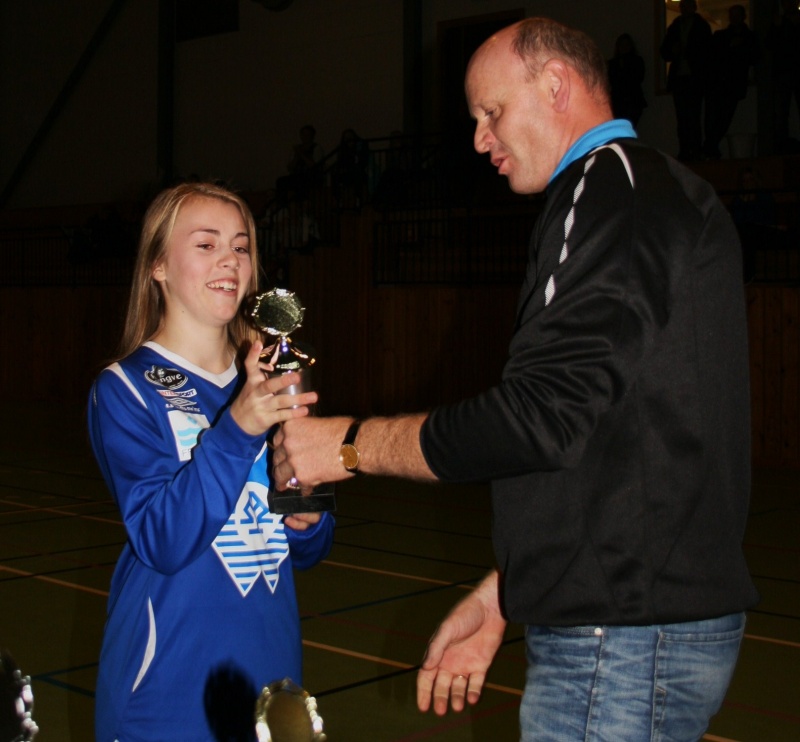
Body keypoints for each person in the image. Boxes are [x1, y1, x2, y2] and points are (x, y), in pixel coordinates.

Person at [273, 16, 759, 741]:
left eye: (491, 112)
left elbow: (539, 417)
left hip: (621, 641)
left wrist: (346, 445)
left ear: (555, 85)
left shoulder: (608, 189)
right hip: (634, 626)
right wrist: (509, 592)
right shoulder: (644, 194)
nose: (479, 140)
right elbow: (613, 437)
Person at [88, 181, 334, 741]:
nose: (230, 259)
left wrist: (309, 516)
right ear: (158, 266)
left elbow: (307, 547)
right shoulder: (125, 388)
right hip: (166, 689)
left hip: (271, 676)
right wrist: (238, 429)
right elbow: (162, 538)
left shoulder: (271, 377)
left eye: (241, 246)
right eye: (206, 244)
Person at [702, 4, 760, 160]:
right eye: (732, 15)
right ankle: (710, 147)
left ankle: (710, 147)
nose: (734, 18)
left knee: (721, 118)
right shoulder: (723, 36)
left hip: (730, 84)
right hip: (719, 83)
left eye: (736, 15)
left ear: (743, 17)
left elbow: (755, 57)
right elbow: (712, 56)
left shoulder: (747, 38)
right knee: (714, 118)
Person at [660, 0, 713, 160]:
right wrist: (674, 51)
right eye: (683, 6)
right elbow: (664, 51)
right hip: (682, 78)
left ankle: (693, 149)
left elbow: (707, 51)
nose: (684, 9)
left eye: (686, 6)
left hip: (694, 77)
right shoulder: (677, 26)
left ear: (693, 7)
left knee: (692, 116)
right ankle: (686, 149)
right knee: (683, 117)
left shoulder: (700, 26)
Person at [766, 0, 800, 153]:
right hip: (783, 72)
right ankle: (782, 146)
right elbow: (769, 44)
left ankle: (783, 145)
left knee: (782, 111)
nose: (788, 5)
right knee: (781, 112)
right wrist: (778, 27)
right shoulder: (779, 22)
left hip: (789, 71)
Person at [607, 33, 647, 128]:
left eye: (626, 45)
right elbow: (611, 81)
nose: (624, 48)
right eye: (622, 45)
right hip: (618, 102)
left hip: (633, 101)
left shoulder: (637, 61)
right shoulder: (613, 63)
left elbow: (639, 78)